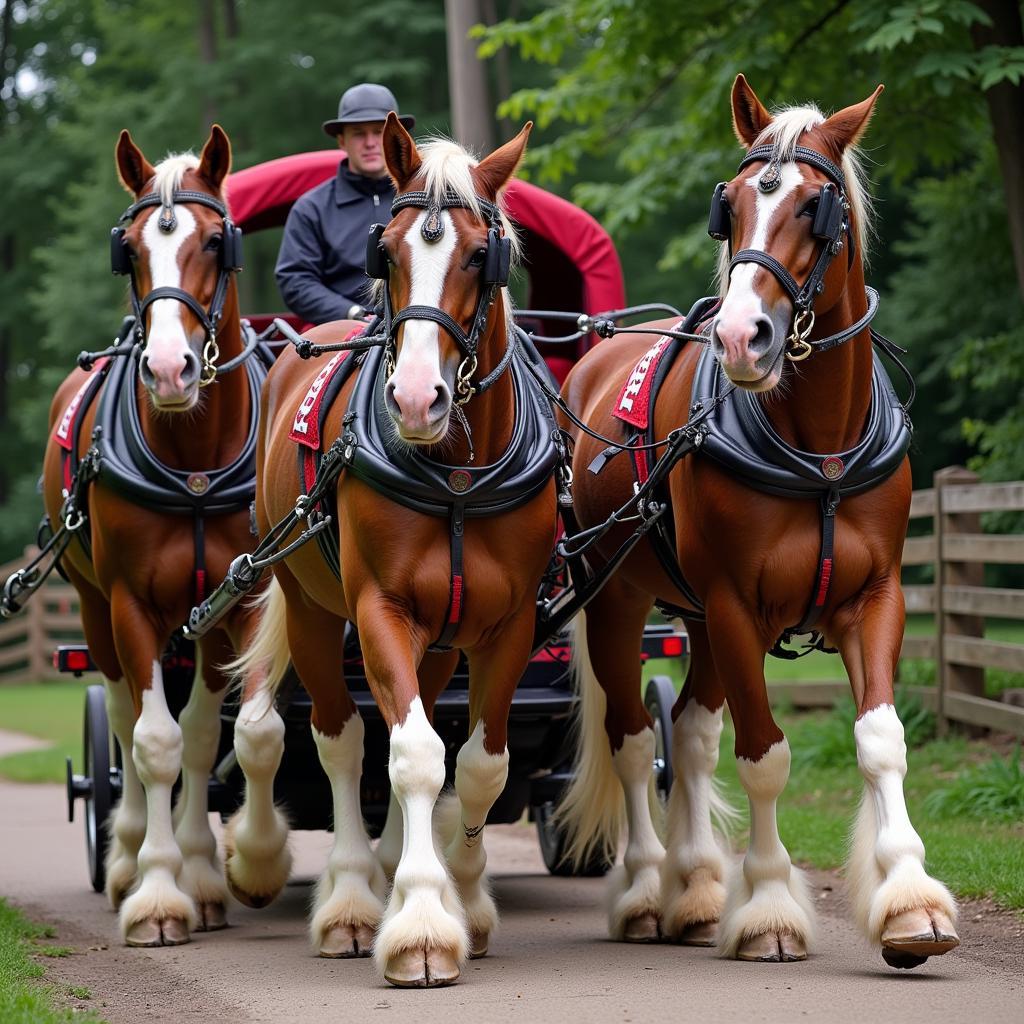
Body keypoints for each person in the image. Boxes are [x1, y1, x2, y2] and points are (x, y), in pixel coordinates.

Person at [275, 83, 416, 325]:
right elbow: (295, 279)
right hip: (341, 334)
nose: (370, 142)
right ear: (342, 141)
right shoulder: (312, 208)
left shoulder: (424, 199)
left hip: (418, 328)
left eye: (379, 132)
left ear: (396, 139)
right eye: (359, 133)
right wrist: (352, 313)